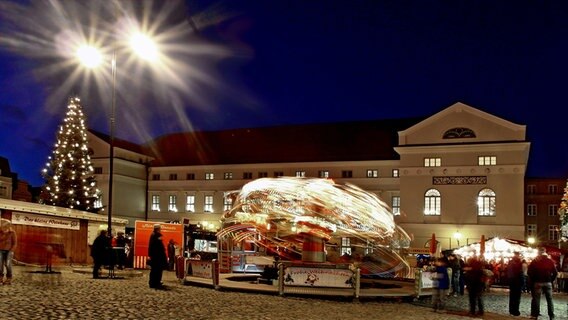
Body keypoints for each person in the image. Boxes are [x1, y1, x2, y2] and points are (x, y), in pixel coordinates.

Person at [528, 247, 557, 320]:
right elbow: (555, 273)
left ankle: (535, 315)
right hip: (548, 282)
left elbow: (529, 272)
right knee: (549, 300)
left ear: (539, 253)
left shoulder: (535, 261)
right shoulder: (550, 261)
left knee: (536, 299)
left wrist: (533, 279)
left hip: (537, 282)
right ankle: (551, 315)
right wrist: (551, 280)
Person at [148, 224, 168, 289]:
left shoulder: (153, 235)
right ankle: (156, 283)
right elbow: (156, 247)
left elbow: (151, 246)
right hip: (157, 257)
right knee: (157, 270)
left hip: (155, 256)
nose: (160, 230)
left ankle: (154, 282)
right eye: (160, 229)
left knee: (154, 270)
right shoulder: (156, 235)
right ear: (158, 229)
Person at [0, 219, 17, 285]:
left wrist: (12, 251)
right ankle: (0, 278)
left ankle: (9, 278)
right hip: (0, 250)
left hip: (9, 251)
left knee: (8, 264)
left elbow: (15, 243)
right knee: (0, 265)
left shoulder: (12, 232)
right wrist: (4, 233)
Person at [507, 251, 523, 316]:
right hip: (517, 281)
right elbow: (520, 273)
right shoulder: (519, 262)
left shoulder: (510, 262)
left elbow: (509, 272)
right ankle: (515, 310)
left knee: (512, 296)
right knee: (517, 297)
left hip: (512, 281)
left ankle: (511, 310)